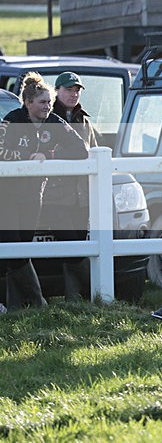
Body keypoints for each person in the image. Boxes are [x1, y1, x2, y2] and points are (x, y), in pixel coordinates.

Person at [0, 72, 88, 310]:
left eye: (49, 102)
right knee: (12, 247)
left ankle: (19, 308)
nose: (47, 107)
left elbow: (82, 150)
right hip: (6, 196)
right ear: (28, 103)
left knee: (23, 250)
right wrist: (25, 157)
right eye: (42, 102)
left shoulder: (54, 123)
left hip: (33, 195)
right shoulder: (12, 119)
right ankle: (38, 303)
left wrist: (50, 156)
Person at [40, 72, 98, 300]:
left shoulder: (84, 120)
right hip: (55, 194)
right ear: (57, 91)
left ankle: (73, 297)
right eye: (68, 90)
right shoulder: (46, 117)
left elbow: (93, 151)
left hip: (81, 194)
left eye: (77, 90)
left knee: (78, 244)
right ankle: (96, 288)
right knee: (70, 244)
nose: (73, 94)